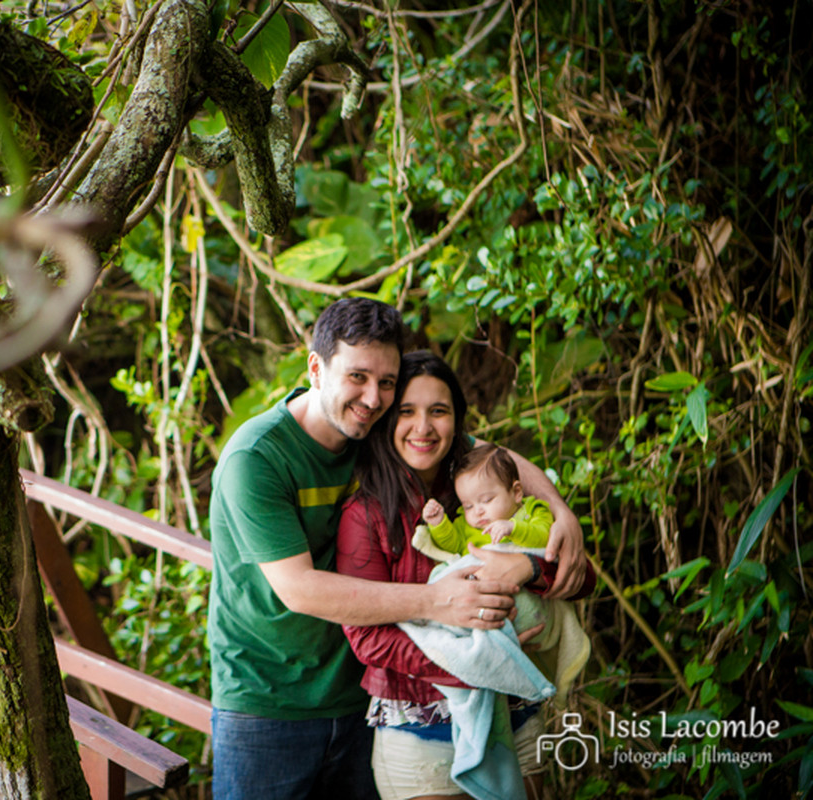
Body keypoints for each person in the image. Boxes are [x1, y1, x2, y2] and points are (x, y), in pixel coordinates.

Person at [208, 299, 587, 800]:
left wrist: (561, 512)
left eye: (386, 382)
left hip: (358, 693)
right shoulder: (257, 457)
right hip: (268, 701)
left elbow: (495, 459)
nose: (372, 397)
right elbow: (299, 589)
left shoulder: (375, 431)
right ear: (316, 368)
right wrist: (439, 603)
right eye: (357, 377)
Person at [335, 351, 596, 800]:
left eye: (439, 411)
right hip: (420, 727)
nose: (423, 427)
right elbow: (367, 638)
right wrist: (485, 661)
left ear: (458, 423)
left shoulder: (485, 492)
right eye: (407, 412)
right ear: (387, 420)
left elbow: (582, 579)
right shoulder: (365, 515)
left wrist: (529, 567)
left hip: (515, 714)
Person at [423, 444, 553, 554]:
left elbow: (544, 538)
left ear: (516, 492)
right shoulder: (466, 526)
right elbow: (453, 545)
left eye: (487, 500)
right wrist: (438, 523)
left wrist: (514, 529)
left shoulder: (533, 511)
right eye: (468, 506)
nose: (477, 512)